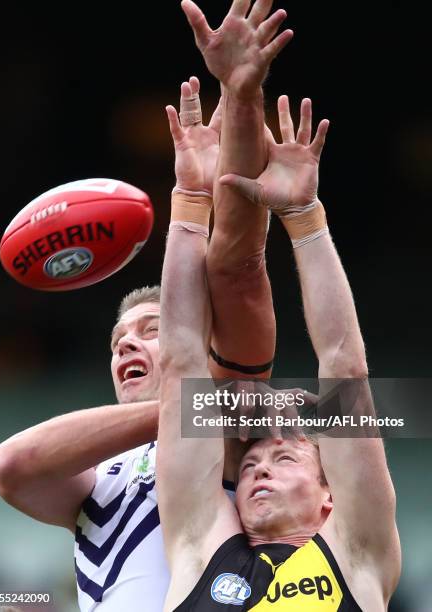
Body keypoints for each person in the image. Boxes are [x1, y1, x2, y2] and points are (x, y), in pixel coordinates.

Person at [0, 0, 292, 607]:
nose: (127, 343)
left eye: (151, 329)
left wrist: (239, 98)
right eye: (117, 341)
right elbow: (14, 466)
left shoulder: (235, 439)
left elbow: (236, 264)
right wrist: (191, 408)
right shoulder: (102, 476)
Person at [156, 91, 401, 610]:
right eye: (248, 468)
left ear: (329, 497)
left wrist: (305, 216)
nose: (258, 470)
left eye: (284, 458)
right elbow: (180, 363)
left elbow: (343, 365)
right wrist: (190, 199)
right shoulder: (199, 552)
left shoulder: (356, 557)